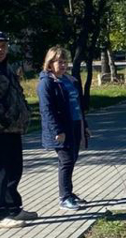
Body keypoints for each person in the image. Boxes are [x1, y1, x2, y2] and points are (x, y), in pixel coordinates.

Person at [37, 46, 89, 211]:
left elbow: (78, 105)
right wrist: (57, 131)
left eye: (65, 61)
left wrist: (84, 126)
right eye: (59, 61)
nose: (63, 65)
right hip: (61, 129)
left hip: (75, 124)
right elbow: (47, 110)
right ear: (50, 63)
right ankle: (64, 198)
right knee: (66, 161)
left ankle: (70, 193)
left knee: (71, 159)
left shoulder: (69, 80)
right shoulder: (46, 82)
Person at [0, 30, 36, 229]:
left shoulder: (7, 69)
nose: (0, 49)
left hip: (13, 129)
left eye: (3, 46)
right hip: (0, 130)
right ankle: (0, 214)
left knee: (15, 169)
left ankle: (13, 208)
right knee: (1, 172)